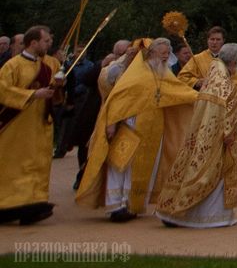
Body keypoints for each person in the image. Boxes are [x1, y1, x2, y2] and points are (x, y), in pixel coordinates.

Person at [75, 37, 199, 221]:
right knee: (120, 164)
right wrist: (112, 124)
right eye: (163, 53)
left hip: (152, 129)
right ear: (152, 53)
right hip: (130, 126)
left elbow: (180, 91)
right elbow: (118, 99)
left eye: (167, 54)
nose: (166, 57)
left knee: (143, 167)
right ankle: (116, 205)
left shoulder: (163, 74)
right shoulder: (136, 73)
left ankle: (132, 205)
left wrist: (204, 97)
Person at [153, 42, 237, 229]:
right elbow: (229, 107)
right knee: (207, 174)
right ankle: (204, 215)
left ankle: (174, 210)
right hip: (215, 136)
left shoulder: (214, 71)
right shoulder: (222, 80)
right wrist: (236, 123)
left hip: (202, 131)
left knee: (190, 168)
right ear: (233, 61)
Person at [0, 25, 65, 226]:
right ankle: (8, 205)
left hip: (40, 124)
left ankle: (34, 204)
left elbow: (56, 97)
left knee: (39, 163)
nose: (50, 44)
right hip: (17, 126)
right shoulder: (13, 65)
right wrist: (32, 94)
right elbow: (3, 91)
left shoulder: (48, 65)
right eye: (46, 41)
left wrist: (59, 86)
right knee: (16, 166)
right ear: (33, 43)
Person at [61, 42, 123, 191]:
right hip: (95, 109)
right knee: (87, 144)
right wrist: (102, 64)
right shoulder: (102, 65)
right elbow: (87, 79)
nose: (120, 57)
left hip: (119, 112)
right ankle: (82, 174)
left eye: (124, 53)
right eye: (118, 53)